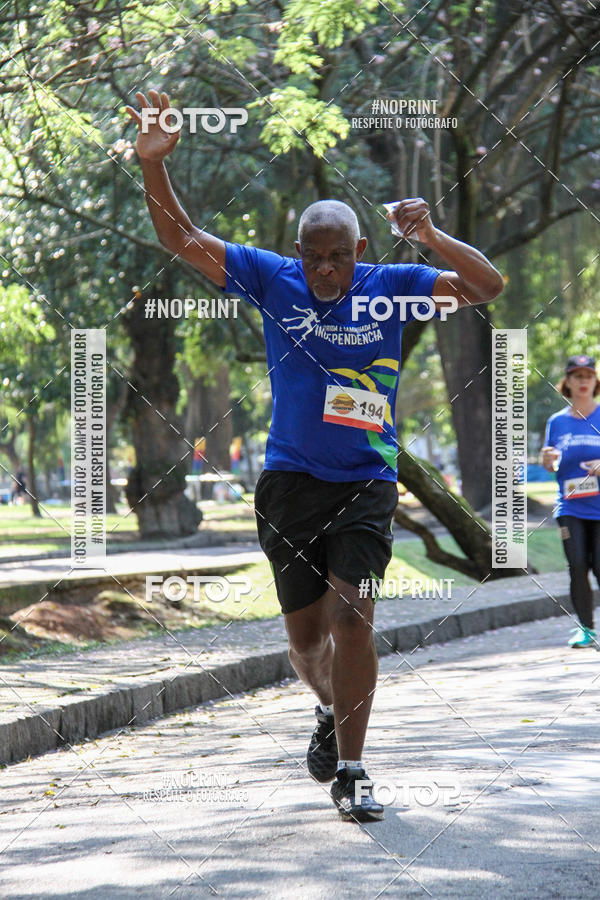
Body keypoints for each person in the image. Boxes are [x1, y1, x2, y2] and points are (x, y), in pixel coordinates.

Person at [126, 89, 504, 822]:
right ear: (297, 253)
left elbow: (487, 286)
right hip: (291, 480)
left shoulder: (393, 286)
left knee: (354, 618)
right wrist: (153, 165)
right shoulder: (272, 278)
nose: (326, 272)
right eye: (314, 258)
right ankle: (331, 709)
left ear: (359, 251)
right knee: (306, 646)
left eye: (338, 258)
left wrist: (431, 239)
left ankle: (355, 771)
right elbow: (181, 238)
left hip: (366, 477)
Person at [541, 355, 600, 649]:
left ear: (595, 381)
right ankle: (586, 630)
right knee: (577, 565)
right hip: (570, 505)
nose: (583, 381)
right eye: (577, 376)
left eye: (588, 375)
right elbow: (550, 464)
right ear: (568, 382)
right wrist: (547, 461)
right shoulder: (557, 422)